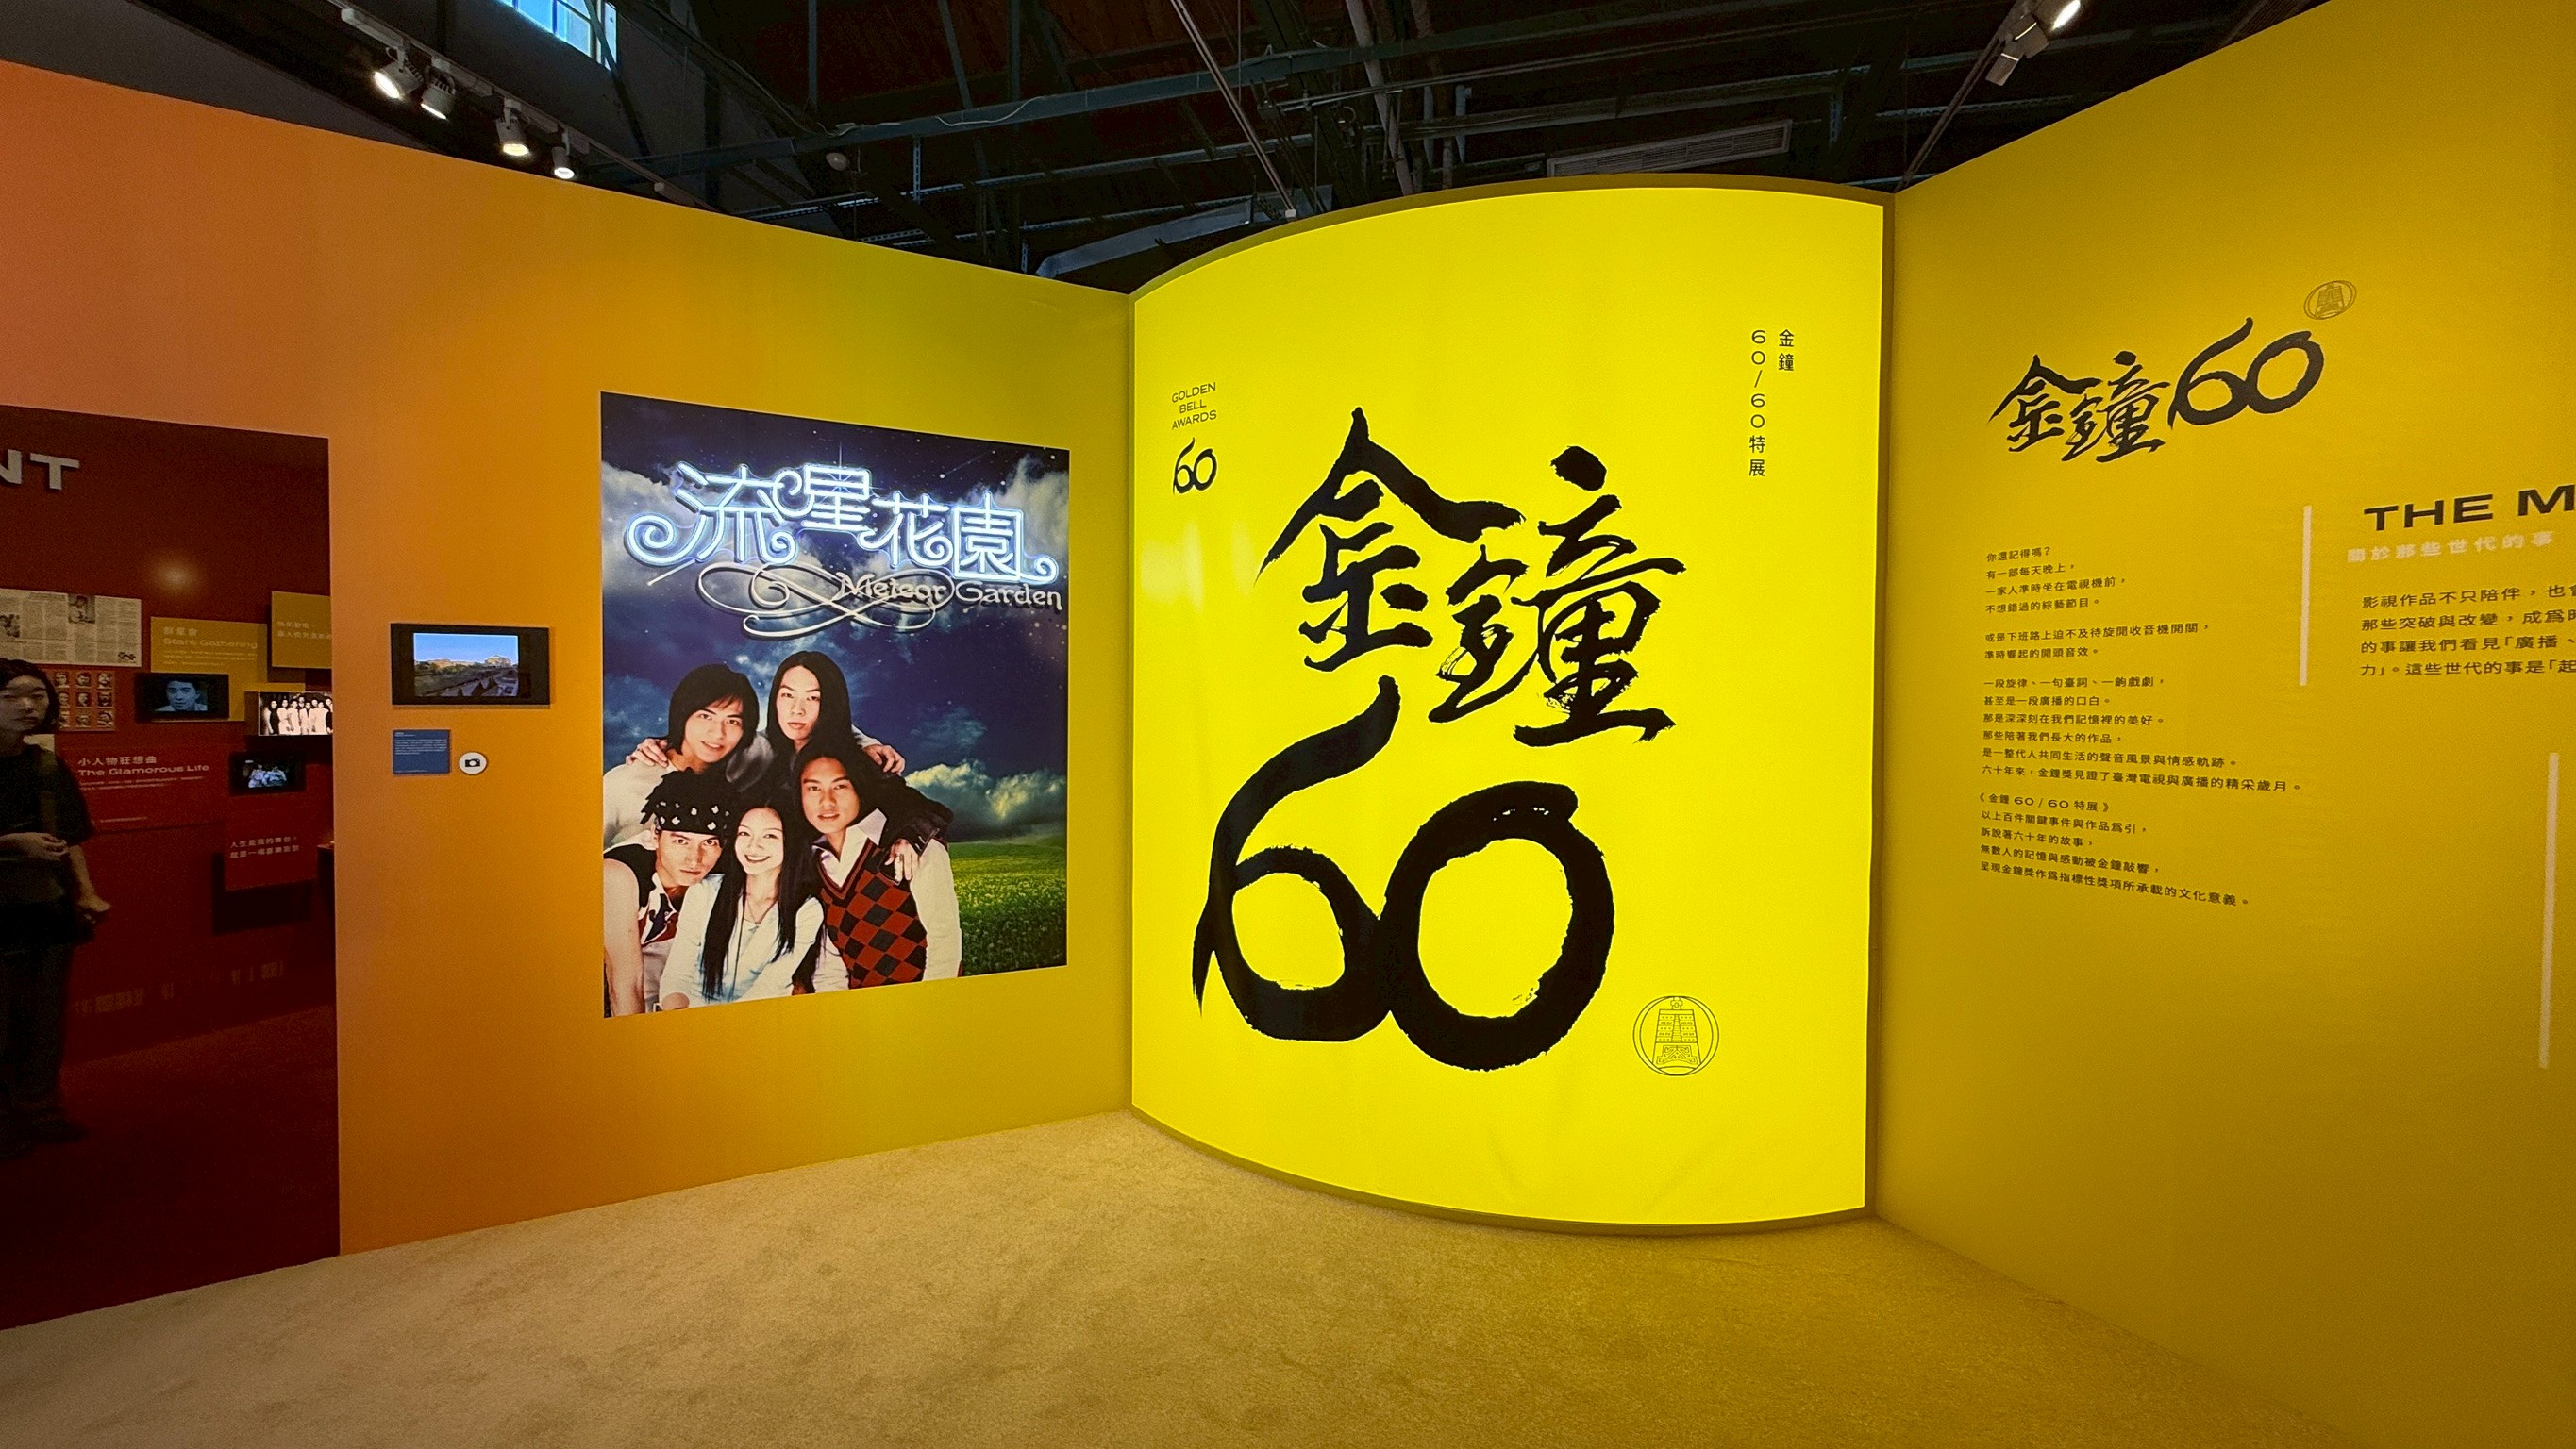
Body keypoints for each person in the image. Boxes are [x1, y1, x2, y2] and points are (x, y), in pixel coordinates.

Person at [0, 661, 111, 1158]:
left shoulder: (45, 765)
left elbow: (70, 837)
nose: (28, 707)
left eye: (38, 696)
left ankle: (40, 1107)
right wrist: (12, 844)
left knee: (43, 1017)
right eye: (12, 696)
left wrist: (84, 892)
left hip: (43, 908)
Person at [792, 737, 961, 987]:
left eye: (840, 787)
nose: (827, 802)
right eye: (813, 788)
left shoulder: (911, 845)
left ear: (859, 788)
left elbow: (945, 943)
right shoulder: (815, 865)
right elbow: (830, 969)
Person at [659, 799, 833, 1010]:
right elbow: (679, 971)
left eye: (770, 835)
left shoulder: (806, 910)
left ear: (790, 842)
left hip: (757, 1017)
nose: (753, 846)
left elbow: (770, 985)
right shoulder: (705, 891)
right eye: (744, 833)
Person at [601, 771, 734, 1017]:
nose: (694, 859)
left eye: (709, 843)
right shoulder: (619, 875)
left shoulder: (722, 874)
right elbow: (626, 981)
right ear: (655, 836)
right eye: (681, 841)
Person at [602, 664, 758, 850]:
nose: (718, 733)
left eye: (732, 721)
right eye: (705, 716)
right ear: (682, 715)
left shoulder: (743, 774)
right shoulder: (626, 781)